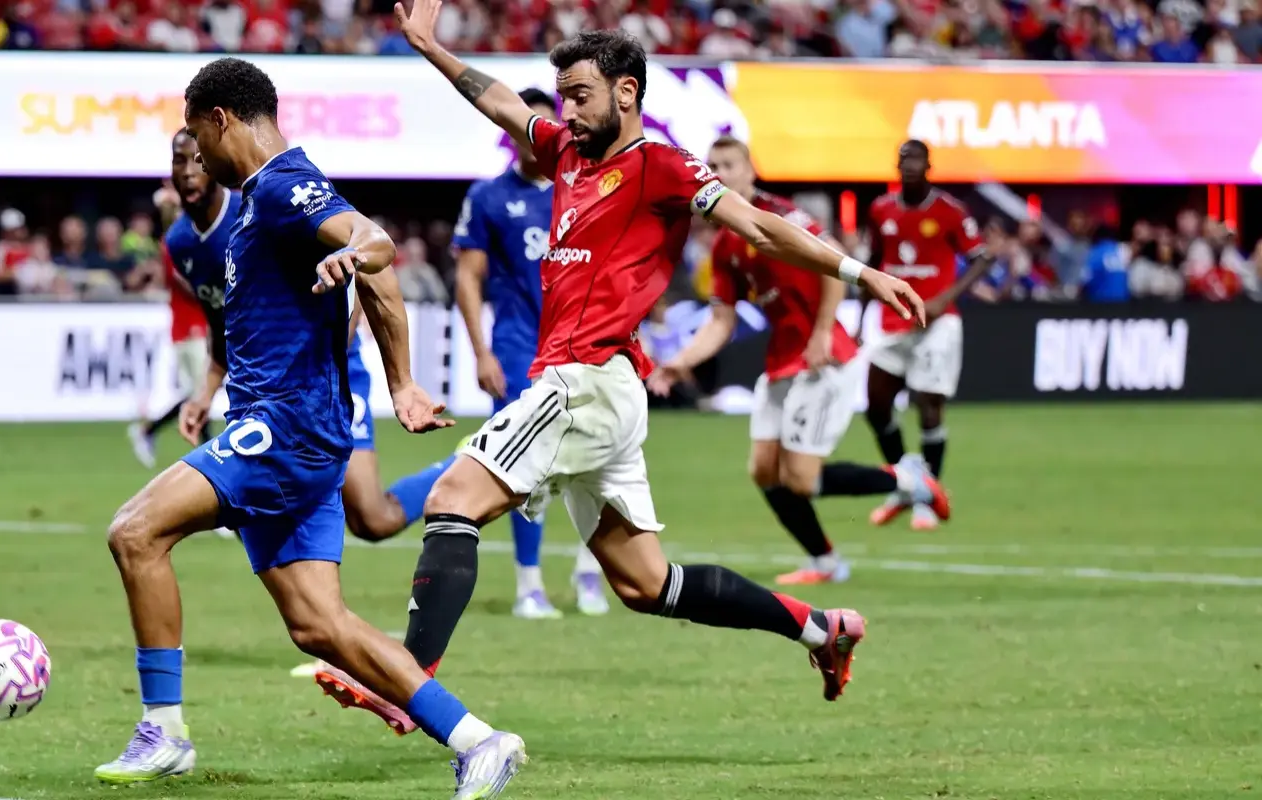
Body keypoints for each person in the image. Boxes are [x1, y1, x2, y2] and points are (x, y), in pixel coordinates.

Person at [311, 8, 925, 740]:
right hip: (600, 390)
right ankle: (822, 629)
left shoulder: (661, 166)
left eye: (579, 96)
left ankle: (406, 682)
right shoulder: (568, 154)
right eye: (562, 98)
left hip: (586, 383)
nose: (566, 113)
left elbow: (760, 226)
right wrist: (429, 47)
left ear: (626, 92)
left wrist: (860, 273)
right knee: (645, 583)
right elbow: (501, 103)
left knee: (452, 498)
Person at [94, 57, 526, 799]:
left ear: (220, 121)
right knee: (320, 626)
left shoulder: (283, 186)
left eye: (198, 136)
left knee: (135, 532)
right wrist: (399, 382)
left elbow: (375, 245)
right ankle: (479, 741)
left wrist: (370, 286)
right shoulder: (256, 203)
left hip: (285, 430)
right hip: (295, 431)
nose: (197, 157)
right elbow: (348, 281)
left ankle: (163, 730)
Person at [647, 137, 950, 586]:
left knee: (802, 479)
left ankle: (910, 481)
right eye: (712, 165)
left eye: (729, 164)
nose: (719, 173)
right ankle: (825, 562)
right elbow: (721, 321)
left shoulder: (782, 216)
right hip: (783, 361)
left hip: (824, 358)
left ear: (751, 171)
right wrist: (679, 362)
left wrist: (824, 330)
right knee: (764, 470)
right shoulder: (726, 244)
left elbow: (837, 264)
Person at [452, 86, 605, 619]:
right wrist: (481, 352)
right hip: (518, 347)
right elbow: (468, 278)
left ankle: (590, 571)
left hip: (582, 346)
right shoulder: (488, 197)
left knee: (592, 460)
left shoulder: (586, 189)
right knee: (523, 467)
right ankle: (529, 585)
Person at [863, 140, 992, 532]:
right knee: (876, 406)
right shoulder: (880, 209)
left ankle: (926, 498)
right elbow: (873, 261)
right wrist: (859, 316)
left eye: (917, 160)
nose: (910, 166)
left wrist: (944, 299)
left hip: (937, 323)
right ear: (897, 166)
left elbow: (982, 257)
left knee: (928, 404)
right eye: (904, 160)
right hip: (892, 319)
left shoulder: (950, 211)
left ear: (929, 167)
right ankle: (907, 484)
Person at [128, 131, 237, 471]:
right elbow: (192, 290)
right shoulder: (178, 242)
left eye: (197, 161)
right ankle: (211, 466)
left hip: (200, 329)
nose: (188, 172)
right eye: (179, 162)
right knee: (198, 392)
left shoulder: (246, 214)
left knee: (197, 392)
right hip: (190, 328)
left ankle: (152, 432)